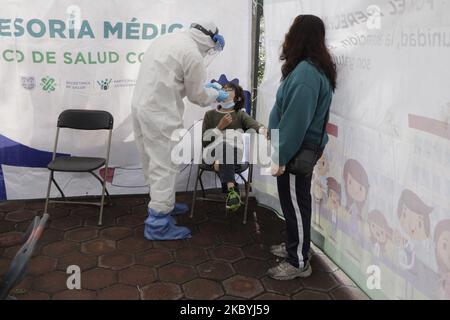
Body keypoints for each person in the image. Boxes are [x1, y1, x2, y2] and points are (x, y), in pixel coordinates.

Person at [131, 22, 229, 241]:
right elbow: (197, 97)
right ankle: (158, 224)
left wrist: (205, 90)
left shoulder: (167, 39)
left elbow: (173, 80)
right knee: (165, 164)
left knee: (151, 160)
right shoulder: (192, 54)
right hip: (160, 112)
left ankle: (163, 202)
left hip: (141, 106)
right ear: (210, 40)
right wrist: (214, 94)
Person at [267, 15, 337, 280]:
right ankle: (295, 246)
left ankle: (298, 262)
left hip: (296, 150)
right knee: (294, 201)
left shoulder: (307, 73)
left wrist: (280, 155)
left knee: (296, 203)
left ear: (297, 36)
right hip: (295, 148)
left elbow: (296, 122)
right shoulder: (307, 68)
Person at [202, 82, 266, 211]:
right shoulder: (209, 115)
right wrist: (219, 127)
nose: (225, 90)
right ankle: (232, 189)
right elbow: (204, 142)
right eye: (223, 88)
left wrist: (265, 131)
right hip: (211, 155)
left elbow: (255, 125)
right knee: (225, 147)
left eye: (229, 89)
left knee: (228, 147)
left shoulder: (240, 114)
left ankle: (229, 188)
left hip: (232, 158)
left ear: (237, 97)